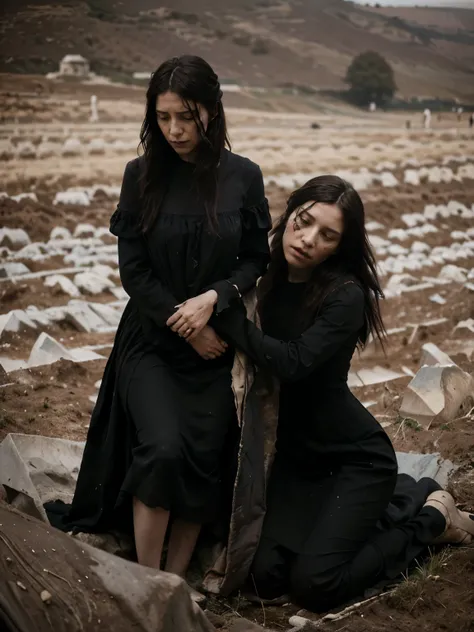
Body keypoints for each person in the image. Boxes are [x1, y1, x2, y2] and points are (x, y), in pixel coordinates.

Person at [47, 55, 272, 585]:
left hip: (218, 345)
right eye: (165, 116)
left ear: (212, 113)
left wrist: (214, 299)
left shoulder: (244, 177)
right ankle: (151, 583)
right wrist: (187, 324)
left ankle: (178, 580)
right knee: (165, 447)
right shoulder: (140, 174)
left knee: (202, 453)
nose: (175, 129)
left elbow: (254, 259)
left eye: (187, 117)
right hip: (151, 340)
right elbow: (136, 271)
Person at [212, 175, 474, 612]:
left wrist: (228, 319)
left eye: (327, 235)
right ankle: (404, 496)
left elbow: (293, 362)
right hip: (294, 460)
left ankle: (433, 519)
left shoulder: (344, 295)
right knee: (263, 577)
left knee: (317, 585)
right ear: (290, 214)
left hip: (353, 458)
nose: (308, 239)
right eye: (304, 221)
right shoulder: (263, 274)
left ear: (340, 246)